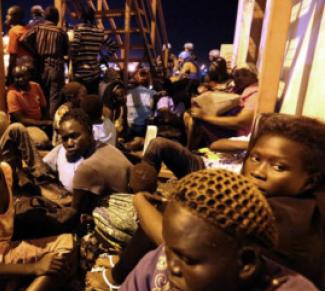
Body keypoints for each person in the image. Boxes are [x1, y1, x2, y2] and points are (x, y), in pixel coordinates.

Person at [87, 113, 325, 290]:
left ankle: (116, 278)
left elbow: (188, 243)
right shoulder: (306, 203)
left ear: (309, 179)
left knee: (161, 221)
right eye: (255, 157)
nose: (258, 171)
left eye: (278, 166)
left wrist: (139, 201)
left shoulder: (283, 217)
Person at [121, 169, 318, 291]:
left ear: (246, 263)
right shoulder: (155, 265)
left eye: (188, 260)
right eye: (169, 248)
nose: (170, 266)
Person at [0, 134, 74, 290]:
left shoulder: (5, 171)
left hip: (5, 250)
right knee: (62, 254)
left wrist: (59, 201)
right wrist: (35, 267)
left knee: (65, 249)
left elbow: (28, 190)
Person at [57, 109, 132, 226]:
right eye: (65, 138)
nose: (69, 143)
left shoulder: (87, 168)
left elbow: (74, 213)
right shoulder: (107, 147)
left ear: (90, 132)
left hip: (123, 221)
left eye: (74, 136)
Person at [186, 64, 259, 149]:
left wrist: (205, 117)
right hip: (228, 128)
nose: (240, 78)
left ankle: (190, 154)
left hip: (237, 135)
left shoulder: (255, 94)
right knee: (190, 113)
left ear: (255, 77)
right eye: (237, 75)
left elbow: (243, 122)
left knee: (195, 121)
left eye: (245, 75)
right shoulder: (238, 89)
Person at [21, 6, 69, 117]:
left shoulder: (37, 28)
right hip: (56, 67)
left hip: (40, 66)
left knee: (42, 98)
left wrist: (34, 51)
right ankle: (51, 125)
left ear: (45, 17)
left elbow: (22, 39)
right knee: (54, 99)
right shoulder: (61, 32)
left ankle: (43, 123)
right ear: (57, 18)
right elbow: (66, 52)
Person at [70, 6, 118, 94]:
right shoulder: (99, 32)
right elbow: (114, 45)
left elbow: (74, 48)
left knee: (80, 103)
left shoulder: (79, 30)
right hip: (95, 75)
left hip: (80, 75)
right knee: (93, 102)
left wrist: (74, 61)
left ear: (82, 16)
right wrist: (104, 59)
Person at [7, 65, 52, 146]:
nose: (20, 79)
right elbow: (21, 119)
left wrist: (47, 123)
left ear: (29, 75)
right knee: (42, 141)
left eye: (23, 76)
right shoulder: (12, 93)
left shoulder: (36, 86)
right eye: (17, 77)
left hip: (40, 123)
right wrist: (42, 123)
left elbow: (44, 108)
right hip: (26, 127)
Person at [125, 68, 158, 138]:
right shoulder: (152, 93)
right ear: (149, 81)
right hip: (142, 127)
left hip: (129, 125)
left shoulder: (129, 93)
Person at [5, 5, 31, 84]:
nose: (6, 17)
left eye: (8, 15)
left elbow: (13, 55)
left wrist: (9, 77)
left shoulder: (14, 31)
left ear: (15, 17)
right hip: (31, 66)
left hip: (21, 68)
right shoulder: (27, 29)